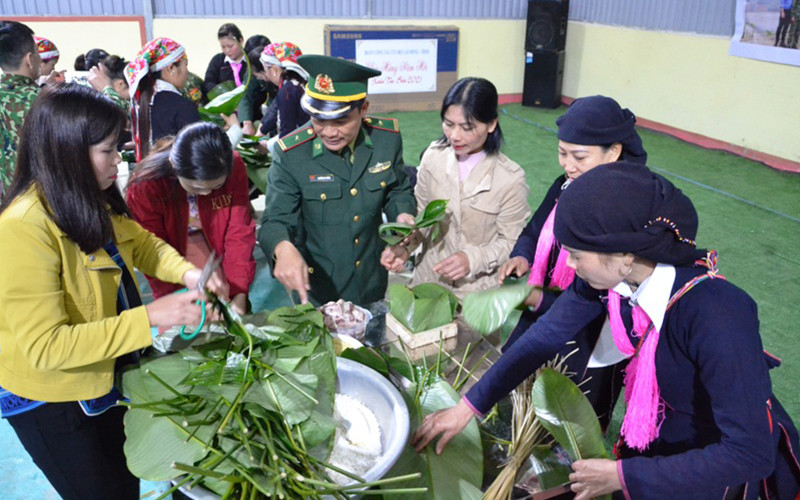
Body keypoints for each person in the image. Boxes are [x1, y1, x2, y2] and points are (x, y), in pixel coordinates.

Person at [411, 162, 800, 499]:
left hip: (711, 474)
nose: (570, 266)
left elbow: (749, 454)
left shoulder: (716, 313)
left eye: (576, 255)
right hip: (658, 450)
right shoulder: (615, 281)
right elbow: (543, 338)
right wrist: (467, 408)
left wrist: (623, 476)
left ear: (625, 256)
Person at [0, 84, 228, 499]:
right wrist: (152, 317)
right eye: (108, 150)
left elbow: (143, 244)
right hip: (55, 400)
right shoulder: (23, 228)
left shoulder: (87, 197)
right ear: (68, 151)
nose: (118, 159)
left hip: (105, 373)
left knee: (124, 481)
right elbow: (47, 347)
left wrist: (189, 274)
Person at [258, 55, 416, 306]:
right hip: (319, 288)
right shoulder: (292, 154)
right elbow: (276, 218)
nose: (329, 132)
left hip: (372, 278)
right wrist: (282, 247)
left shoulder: (386, 140)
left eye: (341, 121)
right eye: (319, 119)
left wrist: (403, 215)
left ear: (363, 109)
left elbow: (397, 190)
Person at [380, 77, 530, 300]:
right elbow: (422, 216)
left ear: (491, 124)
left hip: (477, 292)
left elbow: (512, 242)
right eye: (448, 124)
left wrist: (472, 259)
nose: (455, 136)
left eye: (467, 127)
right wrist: (406, 246)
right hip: (428, 280)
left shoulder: (510, 179)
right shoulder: (433, 157)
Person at [126, 122, 256, 316]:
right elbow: (152, 251)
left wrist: (239, 292)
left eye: (216, 186)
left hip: (213, 242)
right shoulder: (145, 185)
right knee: (186, 316)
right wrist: (175, 301)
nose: (206, 193)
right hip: (169, 250)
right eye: (197, 188)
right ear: (174, 164)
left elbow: (239, 231)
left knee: (225, 298)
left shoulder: (234, 164)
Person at [126, 37, 239, 161]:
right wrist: (235, 130)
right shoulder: (181, 106)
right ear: (171, 68)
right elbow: (204, 157)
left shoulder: (141, 102)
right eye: (186, 65)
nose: (187, 72)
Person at [0, 21, 45, 199]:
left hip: (8, 204)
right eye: (37, 53)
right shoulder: (44, 101)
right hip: (42, 201)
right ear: (29, 59)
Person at [257, 42, 310, 141]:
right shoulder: (300, 83)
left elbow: (288, 135)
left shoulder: (287, 91)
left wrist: (269, 145)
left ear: (274, 70)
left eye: (266, 70)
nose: (266, 75)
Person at [203, 23, 247, 95]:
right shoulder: (218, 60)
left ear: (241, 41)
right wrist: (221, 93)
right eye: (223, 47)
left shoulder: (249, 60)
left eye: (230, 46)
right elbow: (208, 82)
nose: (227, 51)